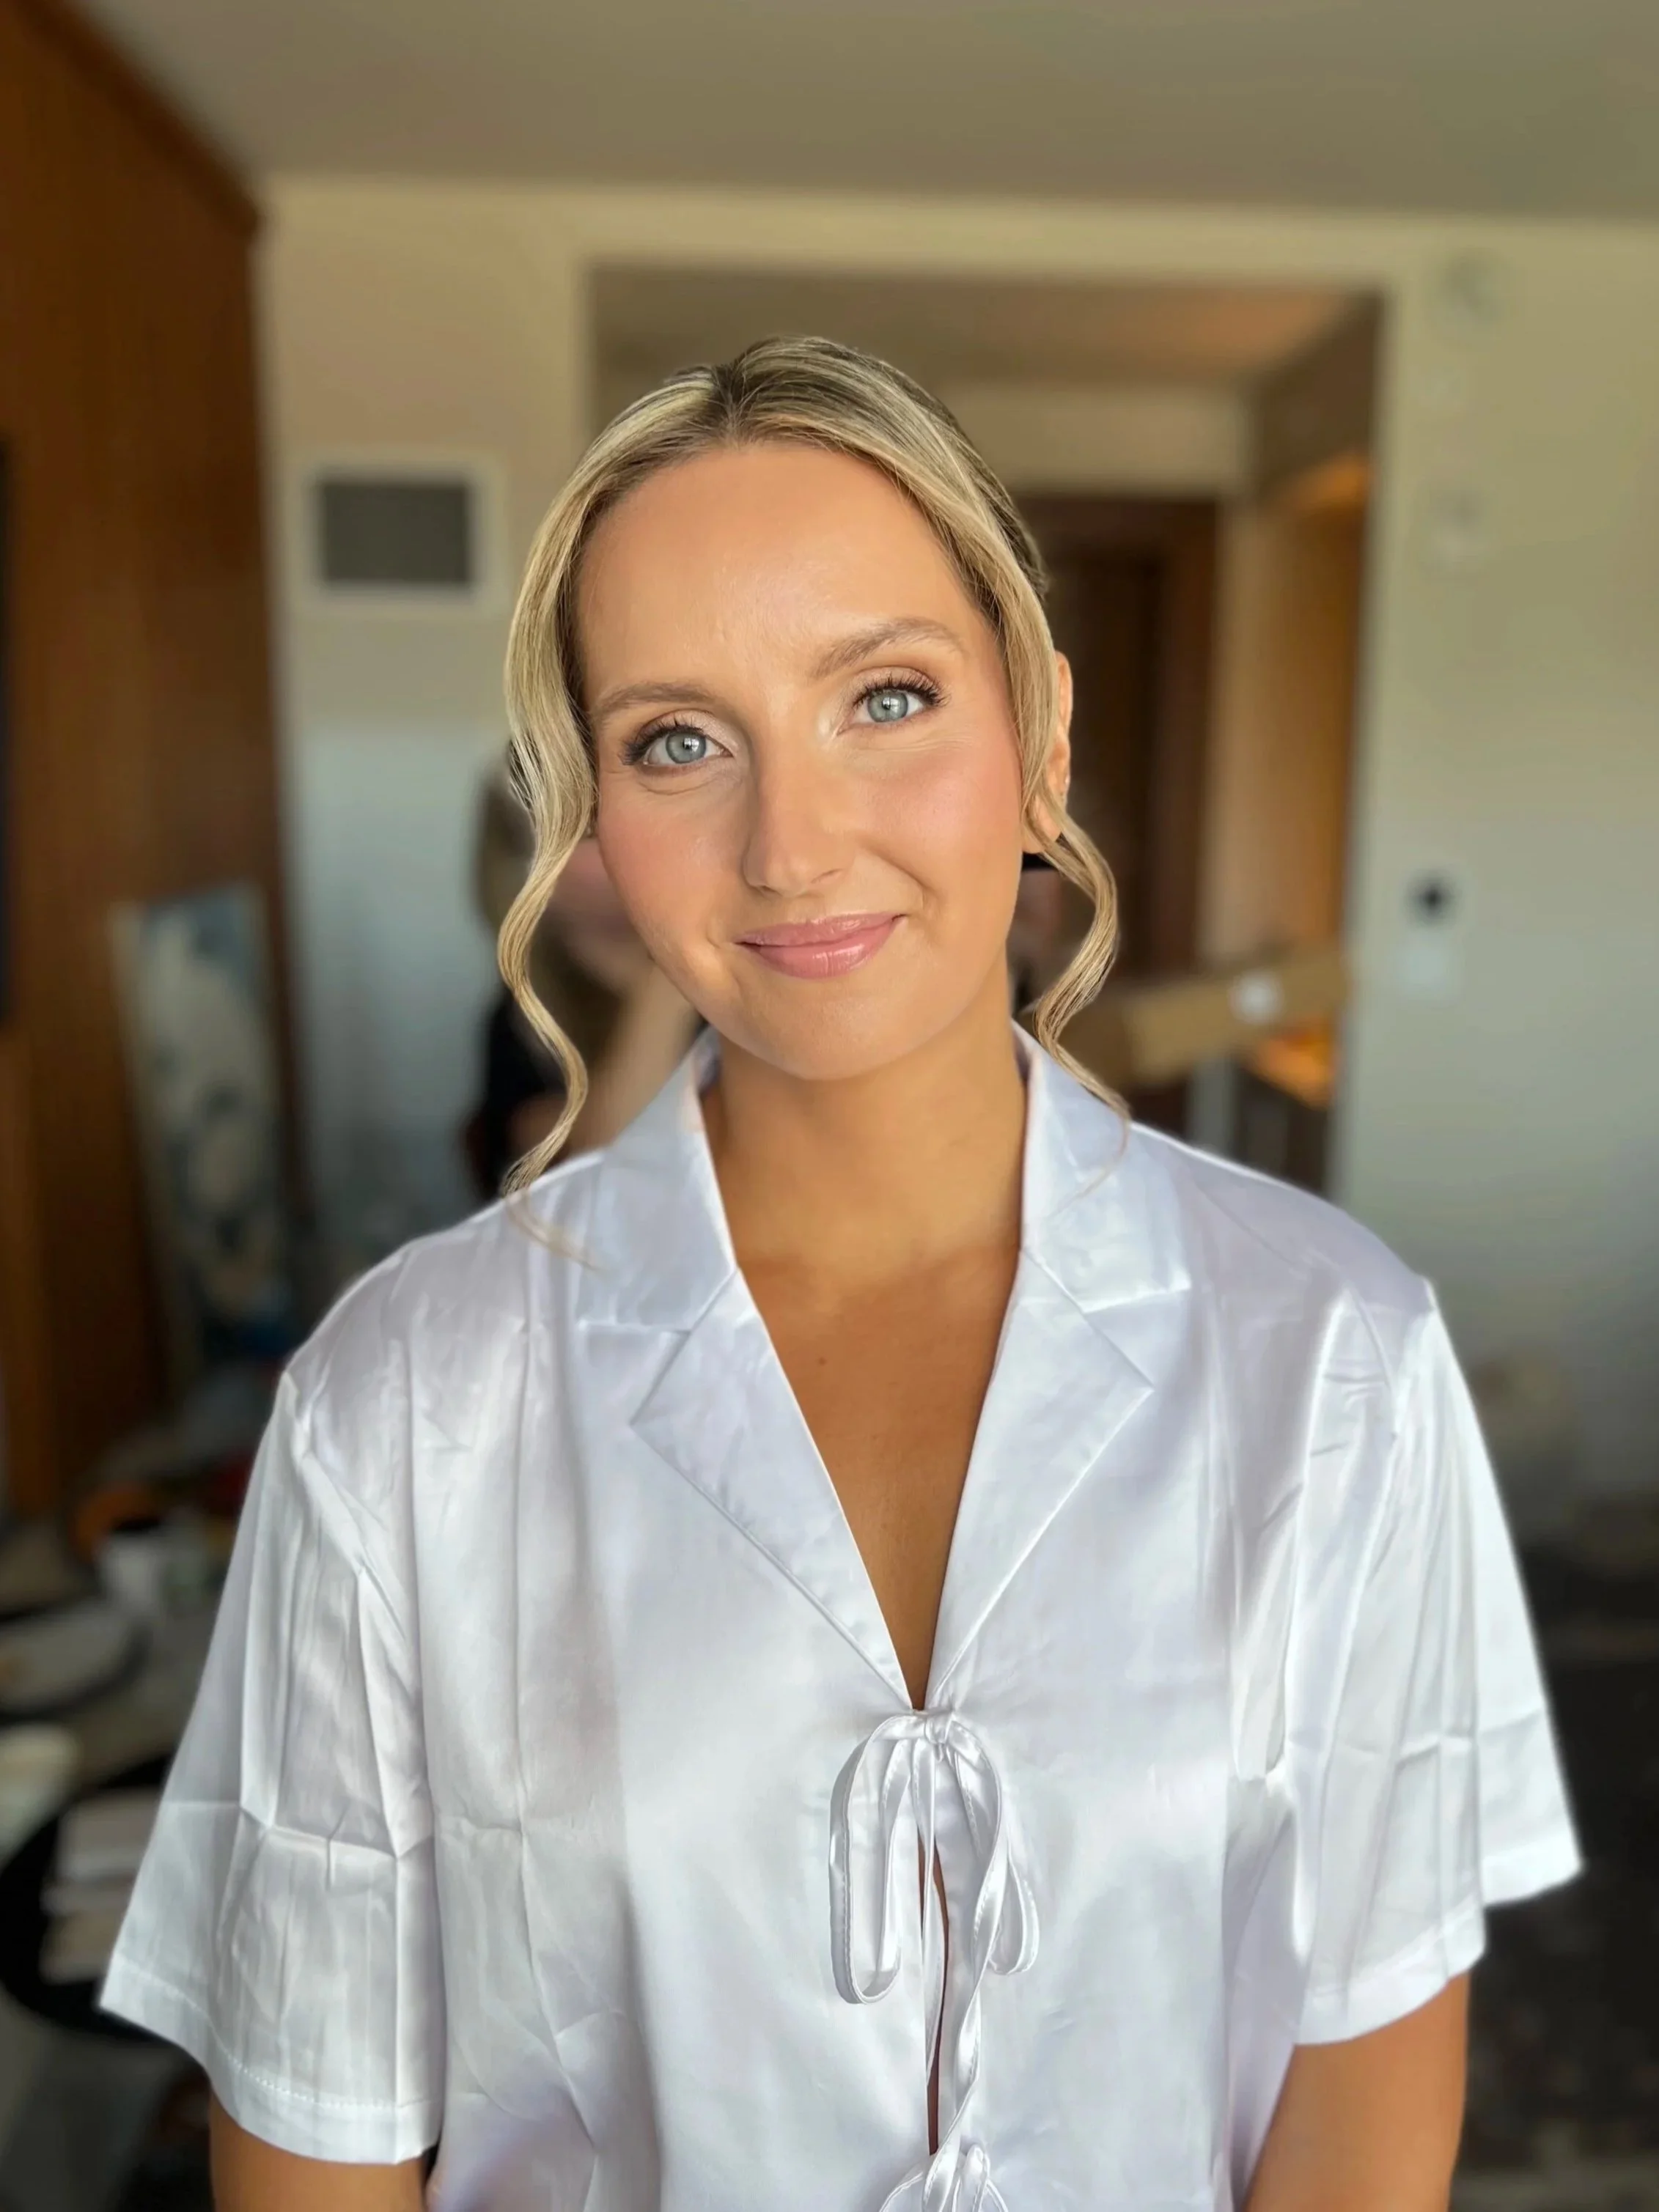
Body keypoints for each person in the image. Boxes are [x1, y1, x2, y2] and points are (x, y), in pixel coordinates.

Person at [102, 338, 1578, 2212]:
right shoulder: (405, 1406)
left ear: (1039, 737)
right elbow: (316, 2135)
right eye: (677, 740)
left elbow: (1362, 2087)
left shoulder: (1331, 1350)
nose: (791, 847)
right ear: (595, 823)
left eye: (883, 695)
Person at [467, 762, 700, 1191]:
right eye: (586, 833)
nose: (628, 840)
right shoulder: (524, 1025)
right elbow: (602, 1175)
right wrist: (672, 977)